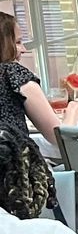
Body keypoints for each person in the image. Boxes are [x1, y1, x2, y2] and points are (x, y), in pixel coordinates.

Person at [0, 10, 60, 148]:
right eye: (18, 42)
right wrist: (75, 112)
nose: (24, 49)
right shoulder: (14, 74)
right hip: (14, 166)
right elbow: (59, 137)